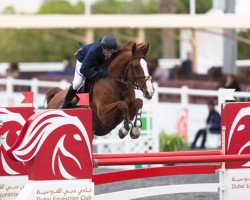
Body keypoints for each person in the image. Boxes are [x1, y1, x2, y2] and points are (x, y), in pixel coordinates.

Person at [60, 35, 118, 108]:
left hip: (96, 62)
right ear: (103, 48)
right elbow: (84, 69)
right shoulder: (93, 52)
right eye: (108, 52)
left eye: (112, 52)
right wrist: (100, 74)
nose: (110, 54)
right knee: (77, 83)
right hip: (83, 61)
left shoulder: (111, 48)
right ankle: (65, 104)